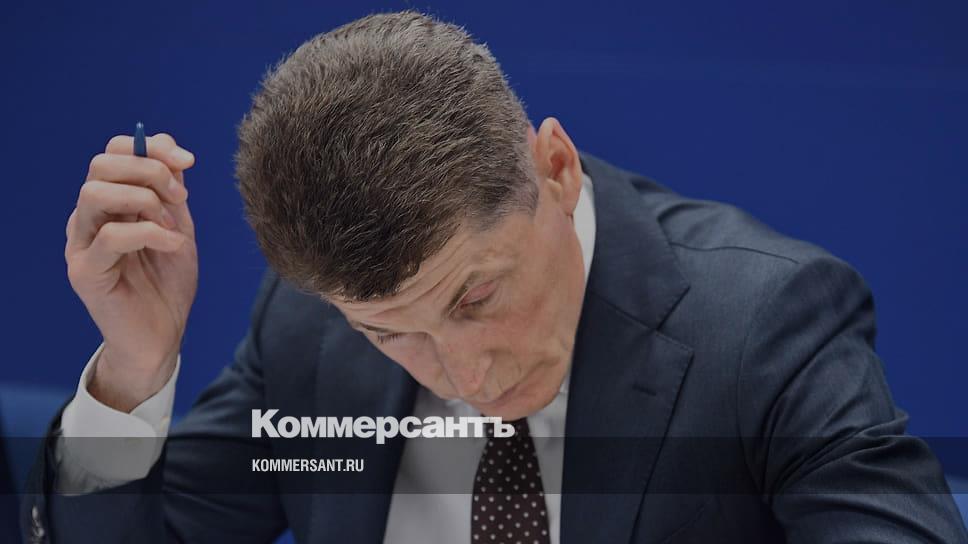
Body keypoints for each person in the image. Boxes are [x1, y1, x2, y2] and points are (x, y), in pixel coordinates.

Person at [22, 10, 967, 544]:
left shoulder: (763, 323)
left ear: (555, 169)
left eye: (475, 297)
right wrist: (134, 369)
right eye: (391, 333)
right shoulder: (309, 329)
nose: (466, 378)